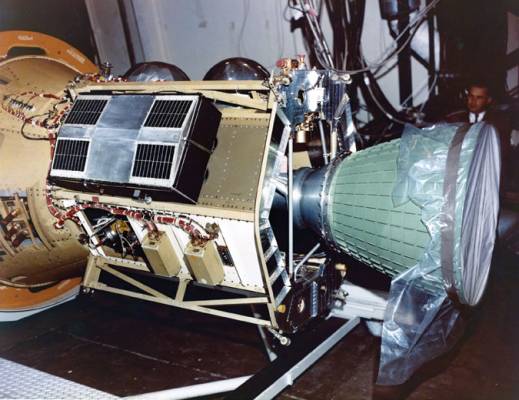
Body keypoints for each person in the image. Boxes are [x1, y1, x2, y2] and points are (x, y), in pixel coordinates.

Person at [445, 79, 512, 192]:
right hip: (460, 177)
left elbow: (502, 152)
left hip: (489, 176)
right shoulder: (454, 119)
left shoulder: (499, 123)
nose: (473, 101)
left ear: (488, 100)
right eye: (471, 96)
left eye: (479, 98)